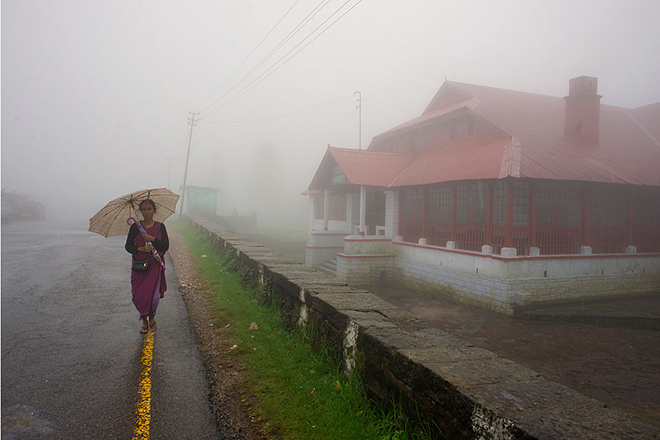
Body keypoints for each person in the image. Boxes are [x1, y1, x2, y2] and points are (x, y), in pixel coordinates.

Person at [125, 199, 169, 333]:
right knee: (138, 295)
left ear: (154, 210)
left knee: (152, 295)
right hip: (139, 266)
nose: (146, 212)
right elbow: (128, 247)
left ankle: (151, 319)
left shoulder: (160, 226)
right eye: (144, 209)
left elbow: (165, 246)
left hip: (154, 266)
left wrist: (152, 239)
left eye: (149, 209)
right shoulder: (135, 227)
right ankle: (145, 320)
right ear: (140, 211)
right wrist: (140, 249)